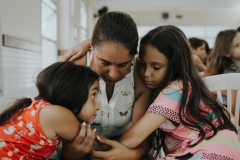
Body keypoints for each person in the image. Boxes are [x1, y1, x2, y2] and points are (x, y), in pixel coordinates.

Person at [92, 25, 240, 159]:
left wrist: (99, 142)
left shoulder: (176, 90)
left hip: (213, 152)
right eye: (142, 64)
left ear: (174, 66)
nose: (146, 73)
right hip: (211, 149)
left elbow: (133, 138)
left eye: (156, 67)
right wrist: (89, 44)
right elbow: (115, 48)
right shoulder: (183, 85)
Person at [56, 11, 152, 160]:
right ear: (92, 46)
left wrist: (132, 154)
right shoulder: (75, 67)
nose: (113, 74)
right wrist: (70, 153)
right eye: (105, 63)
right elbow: (59, 125)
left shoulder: (141, 74)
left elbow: (143, 134)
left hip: (127, 145)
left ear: (135, 55)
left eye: (123, 64)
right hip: (78, 144)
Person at [0, 62, 100, 159]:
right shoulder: (56, 114)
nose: (98, 106)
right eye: (93, 95)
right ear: (73, 93)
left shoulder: (39, 107)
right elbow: (94, 142)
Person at [205, 29, 240, 135]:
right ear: (226, 52)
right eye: (237, 45)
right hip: (230, 110)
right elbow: (234, 104)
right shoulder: (231, 72)